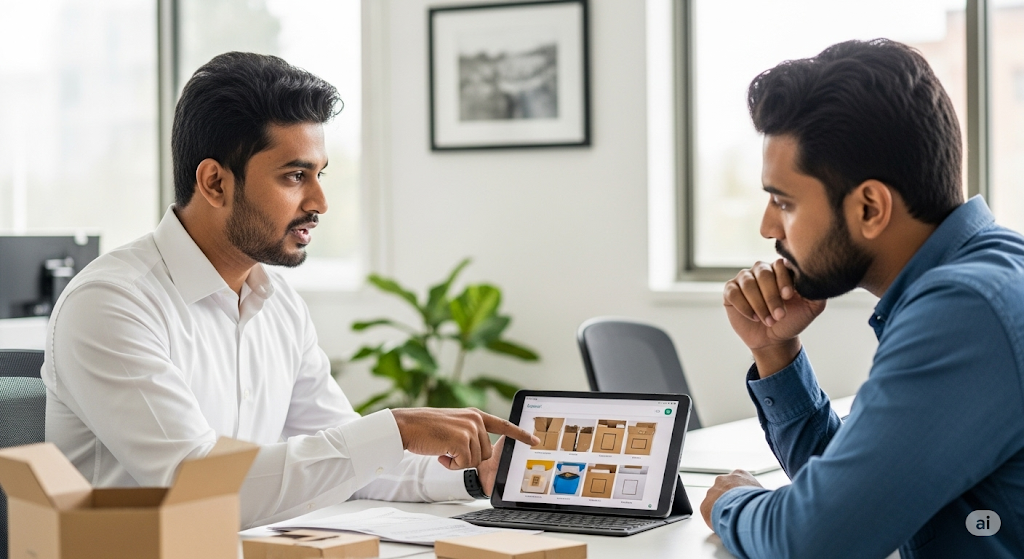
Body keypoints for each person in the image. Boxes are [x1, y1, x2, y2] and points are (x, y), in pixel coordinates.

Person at [41, 52, 538, 529]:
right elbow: (196, 484)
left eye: (319, 175)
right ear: (215, 183)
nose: (319, 201)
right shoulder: (112, 304)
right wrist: (397, 429)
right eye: (295, 176)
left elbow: (349, 461)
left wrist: (476, 475)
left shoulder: (278, 304)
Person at [700, 39, 1024, 558]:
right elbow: (860, 494)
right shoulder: (981, 278)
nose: (767, 228)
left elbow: (814, 542)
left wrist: (732, 504)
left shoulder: (965, 308)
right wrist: (774, 351)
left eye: (783, 201)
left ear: (870, 207)